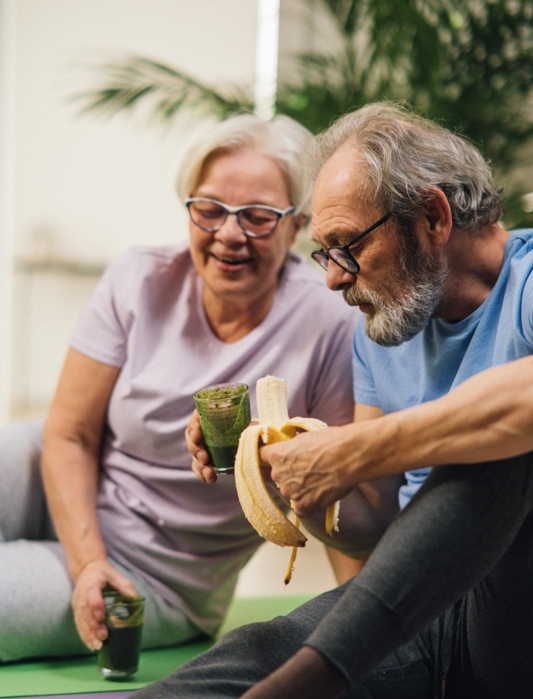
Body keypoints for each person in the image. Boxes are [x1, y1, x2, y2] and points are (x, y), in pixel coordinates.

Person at [3, 101, 533, 699]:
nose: (336, 278)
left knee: (497, 446)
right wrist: (291, 478)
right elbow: (375, 523)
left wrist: (352, 449)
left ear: (432, 217)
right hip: (433, 624)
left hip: (516, 618)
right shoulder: (383, 330)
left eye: (348, 247)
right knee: (256, 651)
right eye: (327, 254)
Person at [0, 114, 360, 664]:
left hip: (155, 573)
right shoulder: (137, 278)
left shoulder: (330, 323)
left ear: (297, 225)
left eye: (258, 217)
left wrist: (361, 644)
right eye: (211, 210)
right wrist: (85, 557)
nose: (229, 235)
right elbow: (69, 434)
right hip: (57, 478)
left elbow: (338, 501)